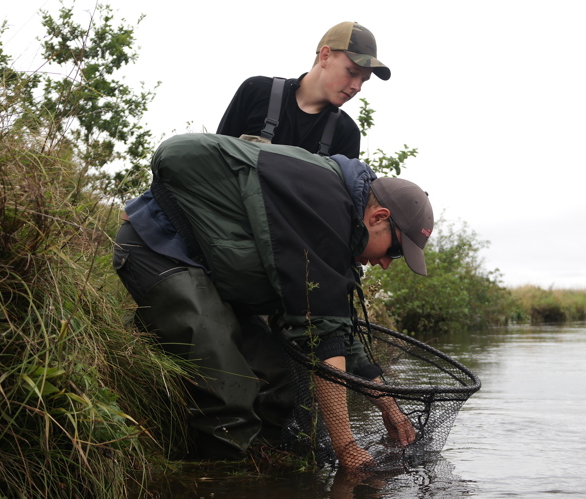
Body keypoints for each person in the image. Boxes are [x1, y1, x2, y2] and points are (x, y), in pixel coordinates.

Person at [113, 133, 433, 471]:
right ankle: (225, 492)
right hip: (161, 249)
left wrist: (391, 410)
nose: (386, 263)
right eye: (395, 251)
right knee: (230, 391)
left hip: (216, 281)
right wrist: (348, 450)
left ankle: (269, 475)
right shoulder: (325, 209)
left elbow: (337, 333)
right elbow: (323, 343)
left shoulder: (342, 233)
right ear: (379, 217)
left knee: (282, 385)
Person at [216, 21, 390, 159]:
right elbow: (215, 160)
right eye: (352, 72)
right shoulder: (257, 91)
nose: (357, 87)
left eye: (364, 80)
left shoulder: (346, 132)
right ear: (325, 56)